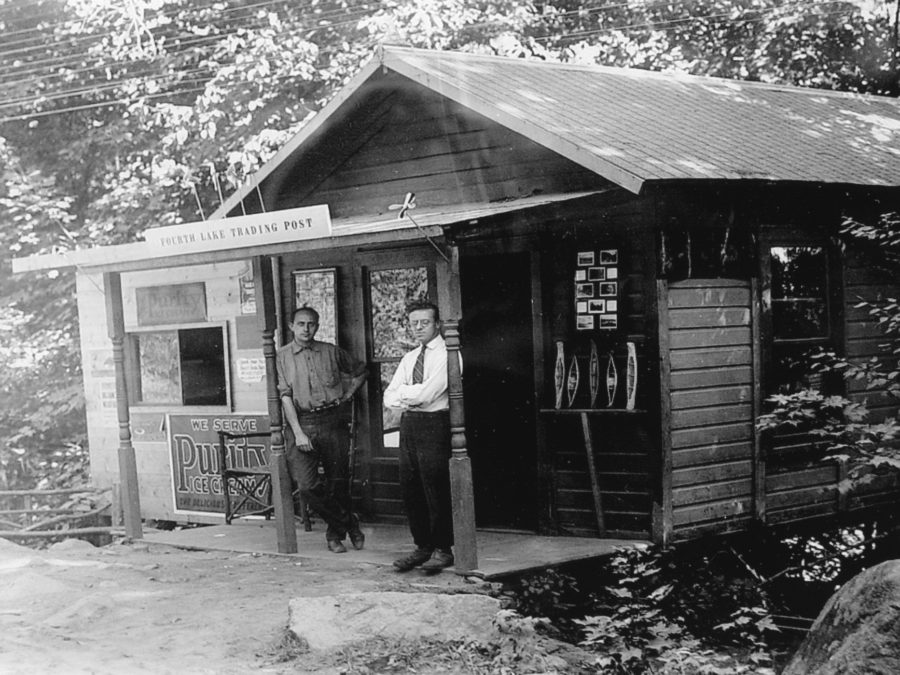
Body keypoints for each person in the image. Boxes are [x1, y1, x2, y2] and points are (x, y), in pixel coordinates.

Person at [276, 307, 367, 553]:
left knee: (338, 483)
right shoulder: (281, 356)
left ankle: (333, 536)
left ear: (317, 326)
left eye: (312, 324)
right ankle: (349, 523)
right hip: (301, 422)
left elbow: (360, 371)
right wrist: (298, 433)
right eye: (301, 324)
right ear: (291, 326)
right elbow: (285, 397)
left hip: (332, 421)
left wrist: (347, 395)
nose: (306, 329)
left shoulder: (331, 351)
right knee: (306, 485)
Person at [384, 300, 456, 573]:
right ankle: (422, 547)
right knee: (411, 487)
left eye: (424, 322)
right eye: (414, 323)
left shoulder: (449, 354)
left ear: (437, 324)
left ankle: (443, 549)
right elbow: (389, 396)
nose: (418, 328)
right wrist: (411, 396)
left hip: (435, 424)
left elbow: (429, 395)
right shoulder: (409, 358)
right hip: (410, 425)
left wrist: (409, 394)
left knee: (435, 486)